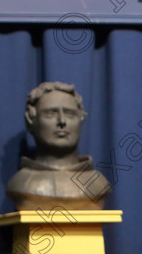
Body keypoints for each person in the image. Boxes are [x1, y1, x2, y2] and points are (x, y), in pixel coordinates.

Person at [6, 81, 110, 210]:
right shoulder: (21, 184)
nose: (62, 121)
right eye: (51, 113)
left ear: (81, 119)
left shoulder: (97, 184)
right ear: (30, 121)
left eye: (69, 113)